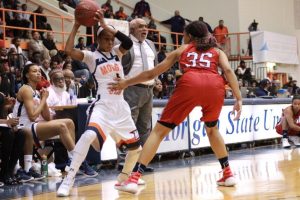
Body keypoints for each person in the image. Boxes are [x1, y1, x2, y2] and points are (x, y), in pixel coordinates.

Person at [109, 20, 242, 193]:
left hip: (190, 83)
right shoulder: (217, 51)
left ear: (191, 36)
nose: (182, 38)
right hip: (215, 86)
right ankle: (228, 173)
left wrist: (126, 82)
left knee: (158, 132)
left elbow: (152, 73)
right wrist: (238, 98)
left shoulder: (183, 49)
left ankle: (134, 177)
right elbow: (229, 71)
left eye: (184, 35)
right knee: (212, 129)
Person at [56, 9, 144, 197]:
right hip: (103, 106)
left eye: (112, 39)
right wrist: (76, 25)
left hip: (121, 107)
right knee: (88, 136)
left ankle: (123, 179)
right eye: (106, 38)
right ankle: (68, 179)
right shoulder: (91, 56)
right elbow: (69, 50)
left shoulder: (117, 53)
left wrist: (105, 25)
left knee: (137, 149)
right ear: (97, 40)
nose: (110, 42)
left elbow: (127, 41)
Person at [12, 63, 97, 181]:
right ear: (27, 75)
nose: (38, 73)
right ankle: (79, 161)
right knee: (62, 126)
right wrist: (44, 99)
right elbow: (32, 116)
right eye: (34, 71)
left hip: (33, 126)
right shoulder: (26, 89)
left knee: (69, 122)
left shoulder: (36, 91)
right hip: (23, 126)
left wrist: (43, 100)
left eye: (39, 71)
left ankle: (70, 160)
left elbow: (47, 117)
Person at [121, 18, 157, 172]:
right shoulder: (126, 44)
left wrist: (157, 79)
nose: (145, 29)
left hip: (149, 90)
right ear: (132, 29)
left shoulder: (151, 44)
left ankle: (142, 162)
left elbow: (154, 65)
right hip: (132, 89)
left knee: (145, 127)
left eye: (146, 26)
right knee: (128, 126)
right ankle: (124, 163)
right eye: (140, 27)